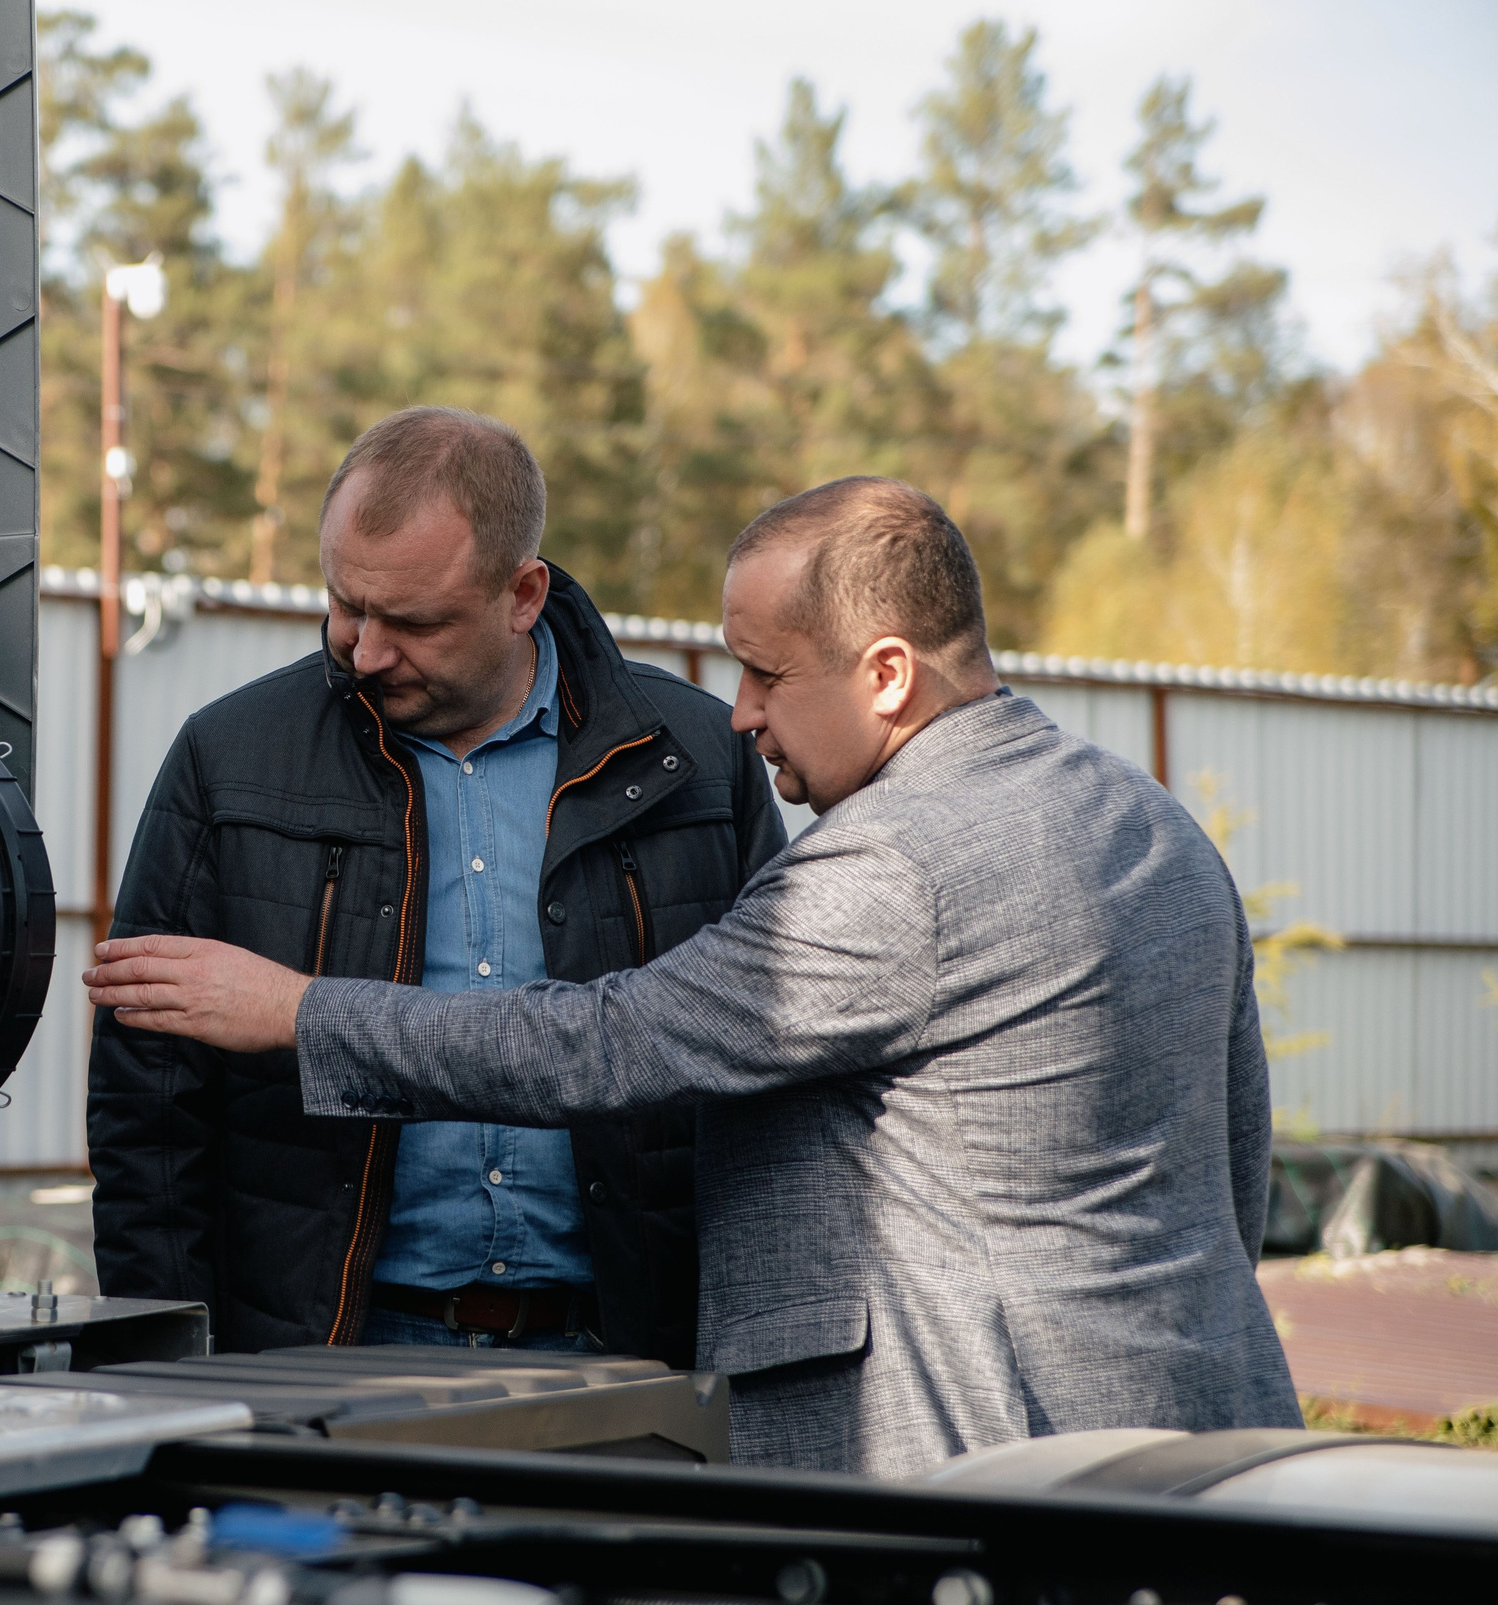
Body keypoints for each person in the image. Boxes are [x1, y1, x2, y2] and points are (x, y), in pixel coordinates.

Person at [83, 476, 1301, 1477]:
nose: (739, 715)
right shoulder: (1152, 826)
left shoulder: (895, 869)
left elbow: (612, 1042)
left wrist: (297, 1011)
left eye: (768, 674)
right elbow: (1232, 1150)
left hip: (986, 1451)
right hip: (1198, 1416)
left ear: (885, 676)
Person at [87, 406, 785, 1359]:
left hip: (627, 1348)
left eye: (413, 621)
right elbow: (148, 1111)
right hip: (329, 1347)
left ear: (524, 593)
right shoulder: (230, 757)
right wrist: (166, 1363)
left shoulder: (697, 761)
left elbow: (775, 1083)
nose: (366, 650)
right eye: (344, 604)